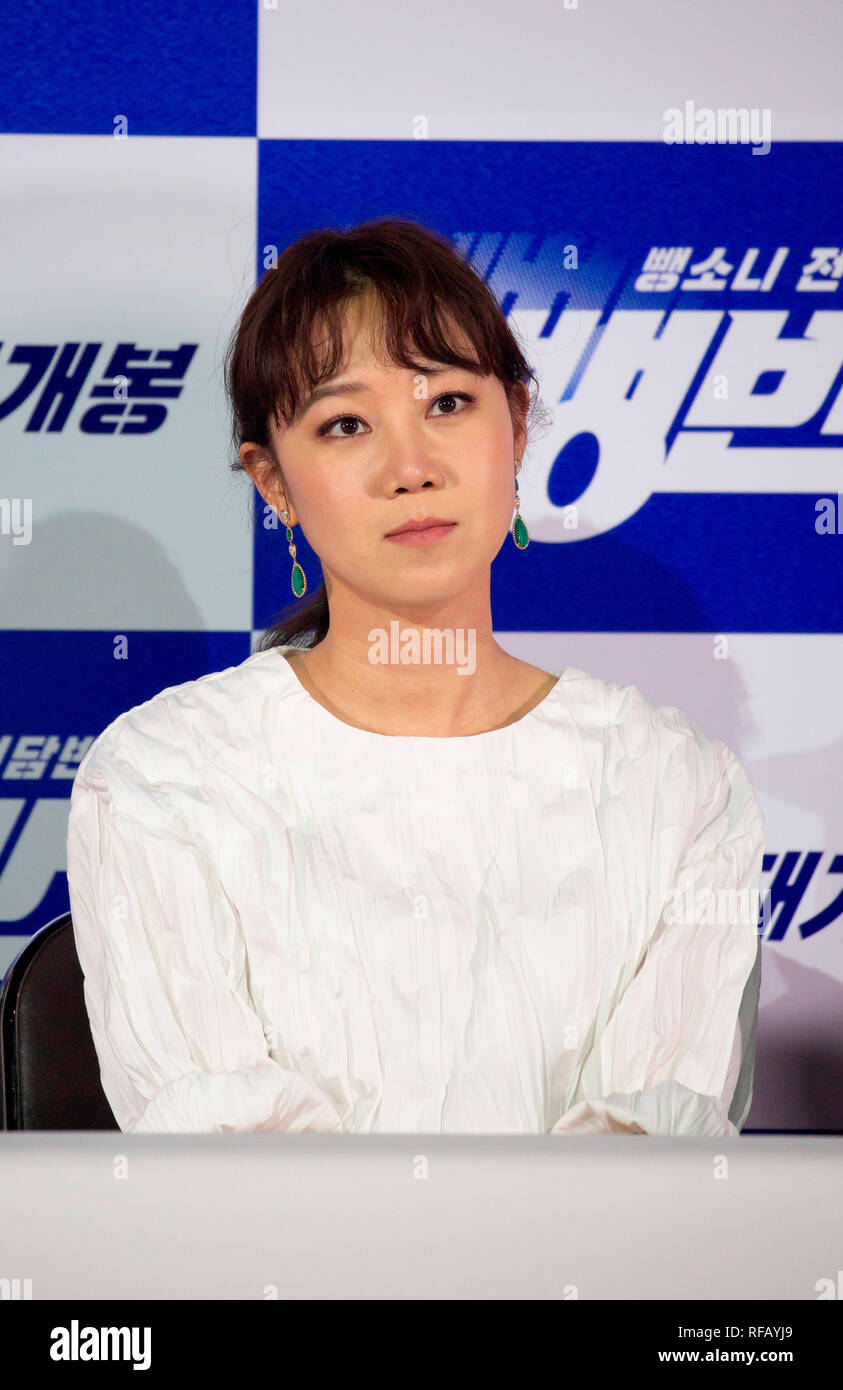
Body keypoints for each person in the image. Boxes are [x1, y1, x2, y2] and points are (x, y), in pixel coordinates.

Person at [66, 216, 766, 1136]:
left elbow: (650, 1172)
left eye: (447, 404)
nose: (410, 468)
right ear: (272, 483)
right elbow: (228, 1177)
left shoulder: (676, 786)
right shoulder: (162, 778)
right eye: (345, 423)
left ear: (516, 426)